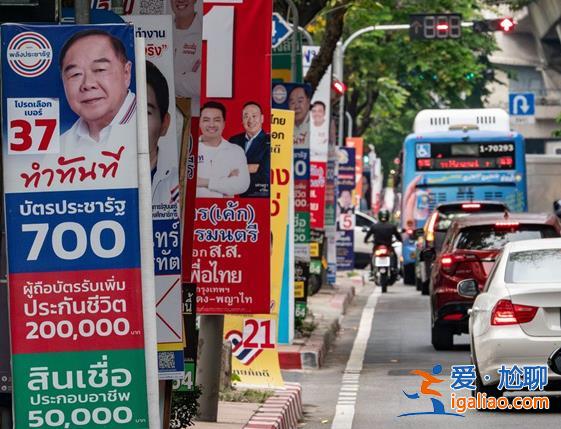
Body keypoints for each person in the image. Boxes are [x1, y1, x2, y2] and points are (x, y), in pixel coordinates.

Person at [59, 29, 136, 161]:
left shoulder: (148, 125)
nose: (88, 84)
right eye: (75, 74)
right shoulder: (61, 147)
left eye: (100, 69)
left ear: (126, 73)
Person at [196, 101, 250, 198]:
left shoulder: (235, 151)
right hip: (195, 210)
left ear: (224, 123)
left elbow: (242, 185)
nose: (211, 124)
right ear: (199, 123)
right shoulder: (190, 148)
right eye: (206, 120)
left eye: (216, 120)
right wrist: (226, 182)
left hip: (223, 211)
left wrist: (203, 182)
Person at [145, 61, 179, 206]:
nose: (132, 122)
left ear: (164, 124)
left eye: (146, 112)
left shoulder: (179, 182)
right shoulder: (88, 181)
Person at [229, 101, 270, 197]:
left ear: (262, 118)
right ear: (242, 120)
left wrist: (236, 170)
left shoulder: (271, 141)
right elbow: (222, 170)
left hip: (260, 198)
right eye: (246, 116)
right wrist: (251, 168)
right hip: (234, 201)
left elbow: (265, 176)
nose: (250, 120)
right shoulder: (233, 140)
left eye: (254, 116)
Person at [170, 0, 202, 115]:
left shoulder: (206, 33)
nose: (180, 0)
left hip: (194, 117)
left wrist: (164, 79)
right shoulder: (160, 32)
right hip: (163, 118)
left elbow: (200, 84)